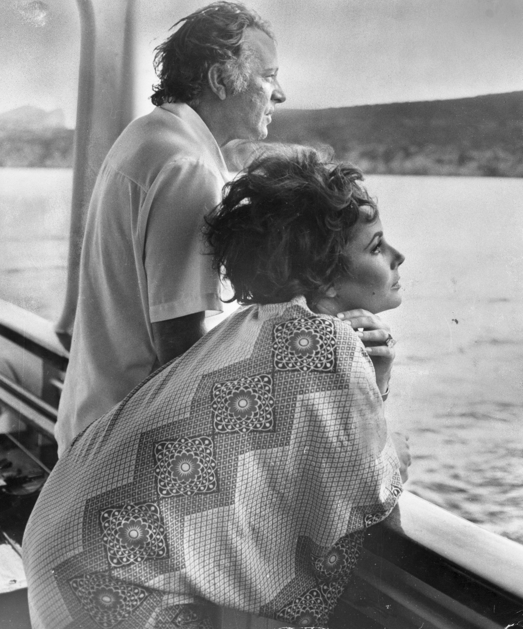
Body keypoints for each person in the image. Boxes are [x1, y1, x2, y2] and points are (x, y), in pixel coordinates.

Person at [24, 147, 409, 629]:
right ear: (325, 278)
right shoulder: (325, 342)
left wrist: (371, 378)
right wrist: (389, 421)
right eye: (376, 247)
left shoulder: (252, 324)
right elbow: (367, 492)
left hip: (61, 549)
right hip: (106, 589)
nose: (397, 256)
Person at [54, 1, 286, 456]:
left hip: (91, 426)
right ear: (220, 80)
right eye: (269, 76)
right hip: (125, 449)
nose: (279, 94)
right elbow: (179, 345)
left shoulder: (147, 135)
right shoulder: (189, 167)